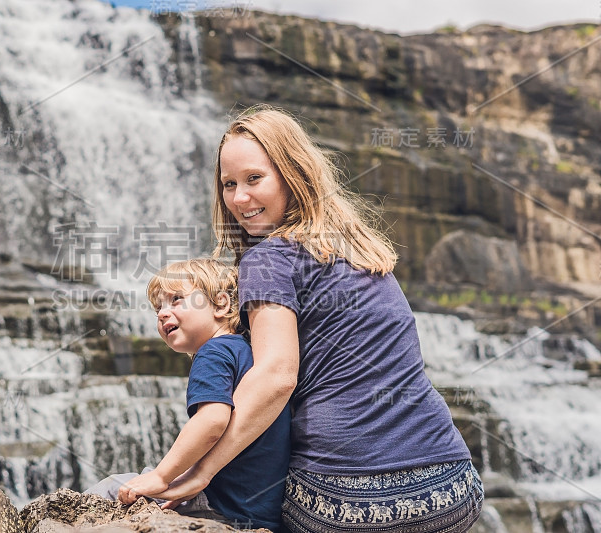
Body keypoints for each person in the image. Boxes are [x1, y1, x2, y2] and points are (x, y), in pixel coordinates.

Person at [151, 107, 484, 532]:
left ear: (294, 174)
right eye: (229, 184)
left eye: (254, 179)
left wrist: (199, 472)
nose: (238, 198)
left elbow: (276, 376)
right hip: (454, 487)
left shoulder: (268, 257)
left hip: (348, 502)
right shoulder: (361, 250)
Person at [85, 258, 291, 531]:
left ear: (221, 305)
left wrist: (161, 475)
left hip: (219, 504)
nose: (162, 313)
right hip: (260, 509)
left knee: (111, 489)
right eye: (158, 307)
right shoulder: (251, 352)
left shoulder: (213, 353)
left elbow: (212, 422)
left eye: (176, 300)